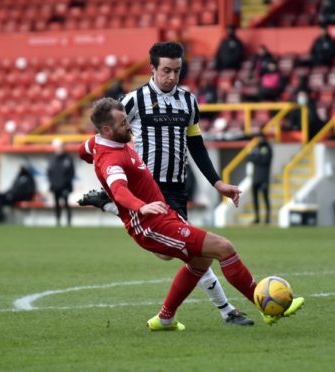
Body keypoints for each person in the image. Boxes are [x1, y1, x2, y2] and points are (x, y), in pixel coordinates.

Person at [81, 97, 304, 330]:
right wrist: (140, 206)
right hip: (150, 222)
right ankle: (266, 308)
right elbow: (118, 190)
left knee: (201, 260)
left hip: (162, 213)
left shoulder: (98, 143)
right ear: (107, 129)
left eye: (127, 120)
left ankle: (165, 318)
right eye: (123, 123)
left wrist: (95, 156)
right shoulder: (112, 160)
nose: (129, 125)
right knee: (223, 248)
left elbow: (84, 151)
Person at [78, 41, 253, 326]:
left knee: (174, 253)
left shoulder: (188, 101)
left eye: (177, 70)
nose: (172, 77)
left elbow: (196, 145)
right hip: (148, 186)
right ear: (153, 69)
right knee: (194, 251)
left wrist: (217, 183)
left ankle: (113, 209)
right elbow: (108, 135)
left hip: (176, 184)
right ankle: (227, 311)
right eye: (166, 71)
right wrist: (95, 157)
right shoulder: (133, 100)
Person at [47, 138, 75, 227]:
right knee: (56, 204)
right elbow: (49, 172)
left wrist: (66, 183)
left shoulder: (68, 159)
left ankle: (68, 221)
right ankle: (58, 220)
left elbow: (71, 172)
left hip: (65, 186)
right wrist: (52, 183)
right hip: (55, 186)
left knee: (66, 203)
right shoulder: (53, 159)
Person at [247, 133, 273, 224]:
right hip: (255, 178)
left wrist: (256, 157)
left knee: (265, 198)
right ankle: (257, 218)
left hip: (264, 178)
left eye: (260, 138)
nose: (259, 140)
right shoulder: (256, 147)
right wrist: (258, 157)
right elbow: (249, 157)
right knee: (255, 199)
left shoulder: (268, 148)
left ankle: (267, 219)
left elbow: (265, 160)